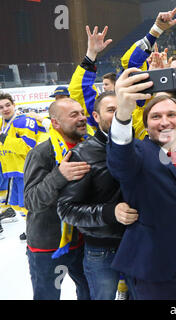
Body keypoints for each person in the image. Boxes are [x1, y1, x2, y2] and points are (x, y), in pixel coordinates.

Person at [106, 68, 176, 300]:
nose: (165, 122)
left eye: (171, 115)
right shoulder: (137, 153)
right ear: (146, 125)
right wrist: (123, 115)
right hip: (155, 271)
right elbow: (120, 162)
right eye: (156, 117)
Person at [56, 91, 139, 300]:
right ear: (96, 117)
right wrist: (110, 212)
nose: (118, 114)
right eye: (111, 110)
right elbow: (66, 209)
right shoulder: (82, 154)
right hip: (102, 251)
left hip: (139, 244)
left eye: (122, 109)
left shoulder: (141, 147)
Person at [23, 98, 91, 300]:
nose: (82, 118)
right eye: (74, 115)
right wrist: (59, 176)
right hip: (48, 247)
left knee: (89, 292)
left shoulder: (89, 146)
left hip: (82, 241)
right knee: (48, 296)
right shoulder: (41, 153)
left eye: (81, 112)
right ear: (55, 123)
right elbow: (31, 200)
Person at [0, 93, 46, 229]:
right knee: (18, 205)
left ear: (14, 105)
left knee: (28, 205)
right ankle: (30, 230)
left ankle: (37, 231)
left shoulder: (23, 120)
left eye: (8, 105)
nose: (5, 109)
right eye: (1, 107)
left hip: (26, 171)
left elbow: (28, 147)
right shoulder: (2, 123)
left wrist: (5, 139)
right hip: (11, 171)